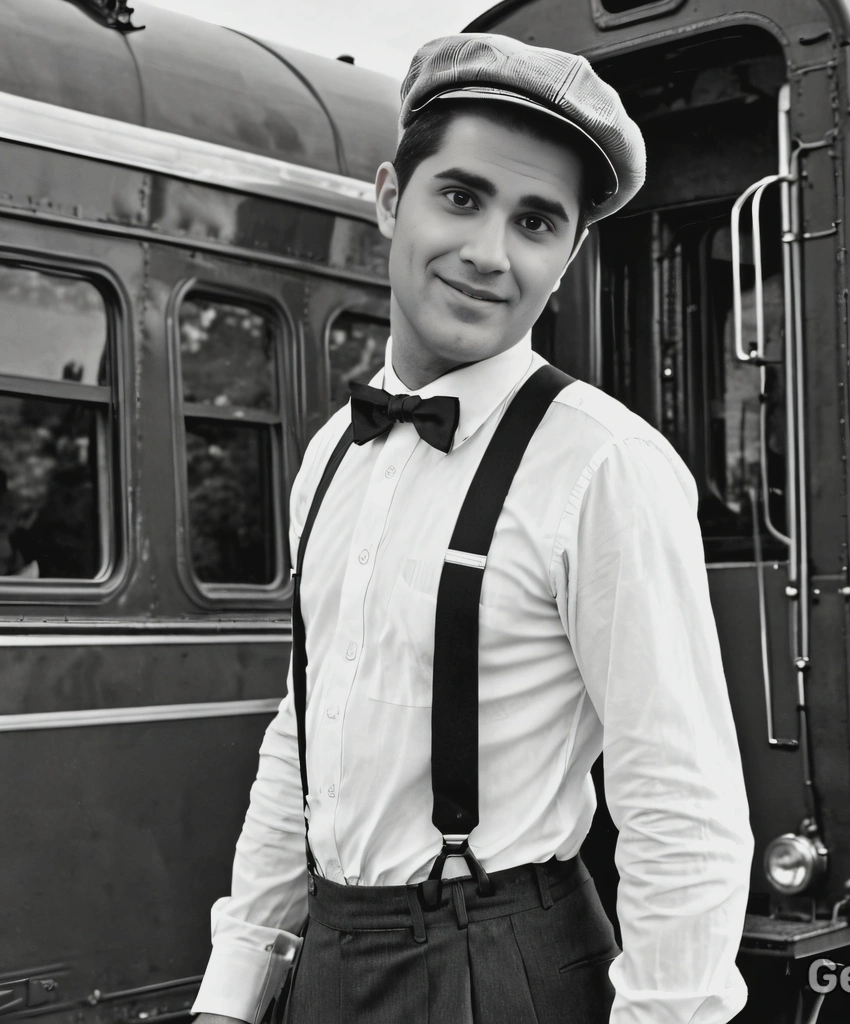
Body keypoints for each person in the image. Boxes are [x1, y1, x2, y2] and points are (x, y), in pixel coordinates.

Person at [192, 32, 753, 1024]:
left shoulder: (603, 464)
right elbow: (305, 736)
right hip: (329, 960)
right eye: (460, 197)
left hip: (501, 968)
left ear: (569, 254)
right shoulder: (331, 458)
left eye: (535, 222)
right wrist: (234, 989)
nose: (490, 253)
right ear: (386, 198)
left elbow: (680, 802)